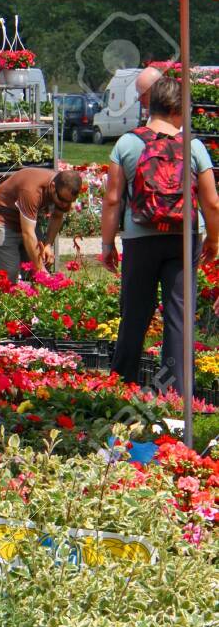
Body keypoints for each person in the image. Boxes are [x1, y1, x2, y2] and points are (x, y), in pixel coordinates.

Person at [102, 76, 219, 392]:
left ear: (150, 105)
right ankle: (177, 395)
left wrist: (107, 242)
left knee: (134, 313)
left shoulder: (127, 144)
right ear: (180, 110)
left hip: (140, 239)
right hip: (183, 238)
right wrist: (213, 239)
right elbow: (211, 201)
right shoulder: (193, 146)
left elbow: (113, 199)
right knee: (178, 316)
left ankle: (121, 387)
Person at [0, 166, 82, 281]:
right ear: (53, 186)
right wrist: (40, 269)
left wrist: (48, 245)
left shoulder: (63, 190)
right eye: (62, 200)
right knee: (8, 276)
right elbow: (28, 233)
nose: (65, 205)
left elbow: (57, 215)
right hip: (2, 220)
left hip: (26, 221)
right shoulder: (32, 191)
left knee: (37, 267)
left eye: (69, 201)